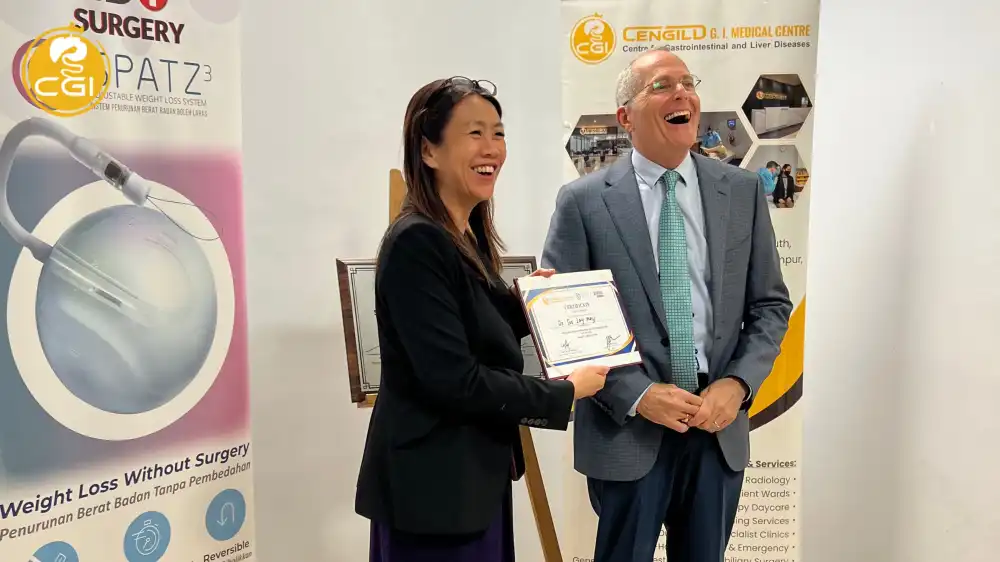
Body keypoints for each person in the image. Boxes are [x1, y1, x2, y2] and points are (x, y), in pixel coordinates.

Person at [541, 47, 792, 562]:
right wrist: (637, 395)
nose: (682, 93)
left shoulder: (741, 191)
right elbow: (566, 327)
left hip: (716, 426)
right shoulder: (583, 202)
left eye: (688, 83)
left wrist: (737, 384)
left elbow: (770, 306)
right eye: (661, 85)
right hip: (628, 429)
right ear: (625, 117)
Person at [355, 76, 609, 562]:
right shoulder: (417, 242)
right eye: (474, 133)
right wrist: (566, 392)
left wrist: (534, 305)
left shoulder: (462, 235)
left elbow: (472, 325)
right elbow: (456, 380)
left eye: (498, 133)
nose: (491, 148)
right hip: (431, 495)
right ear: (428, 151)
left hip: (471, 482)